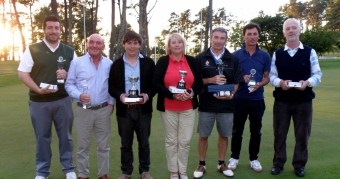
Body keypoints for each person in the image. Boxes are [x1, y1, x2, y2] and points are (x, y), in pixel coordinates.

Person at [17, 15, 77, 179]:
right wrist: (37, 89)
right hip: (39, 102)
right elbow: (22, 73)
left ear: (60, 30)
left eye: (56, 28)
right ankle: (42, 172)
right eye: (50, 28)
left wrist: (68, 74)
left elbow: (78, 76)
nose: (53, 31)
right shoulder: (32, 49)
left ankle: (69, 169)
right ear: (44, 29)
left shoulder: (69, 51)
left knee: (66, 137)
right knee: (42, 138)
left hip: (63, 100)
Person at [269, 18, 322, 177]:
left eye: (294, 28)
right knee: (279, 134)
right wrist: (280, 82)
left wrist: (308, 82)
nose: (291, 31)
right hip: (282, 102)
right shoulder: (277, 53)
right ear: (284, 32)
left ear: (299, 30)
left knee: (302, 135)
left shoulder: (309, 51)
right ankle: (278, 163)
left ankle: (299, 165)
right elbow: (272, 76)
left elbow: (317, 74)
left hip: (303, 101)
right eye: (288, 29)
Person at [193, 27, 244, 178]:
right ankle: (201, 164)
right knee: (203, 135)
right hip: (206, 104)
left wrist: (232, 94)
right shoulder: (200, 58)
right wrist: (210, 80)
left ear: (226, 40)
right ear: (211, 38)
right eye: (216, 37)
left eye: (222, 38)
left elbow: (237, 81)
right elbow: (195, 81)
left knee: (224, 135)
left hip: (226, 105)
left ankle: (221, 163)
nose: (219, 41)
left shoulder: (232, 58)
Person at [153, 33, 203, 179]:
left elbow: (199, 83)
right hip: (168, 108)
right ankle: (174, 172)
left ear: (183, 44)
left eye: (179, 42)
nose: (176, 45)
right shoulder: (163, 61)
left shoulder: (192, 61)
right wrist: (172, 94)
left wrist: (192, 93)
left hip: (187, 108)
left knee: (185, 141)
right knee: (171, 141)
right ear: (169, 45)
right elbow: (156, 83)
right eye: (173, 42)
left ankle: (183, 171)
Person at [65, 34, 114, 179]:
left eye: (98, 43)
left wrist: (111, 104)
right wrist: (79, 95)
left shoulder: (109, 64)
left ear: (103, 46)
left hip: (103, 110)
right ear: (87, 44)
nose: (94, 45)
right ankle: (83, 175)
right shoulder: (77, 62)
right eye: (91, 42)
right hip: (83, 110)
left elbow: (112, 86)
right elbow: (69, 84)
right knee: (82, 146)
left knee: (103, 146)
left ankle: (103, 174)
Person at [108, 30, 155, 179]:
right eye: (129, 43)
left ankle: (144, 171)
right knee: (125, 144)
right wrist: (121, 96)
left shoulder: (148, 63)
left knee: (144, 143)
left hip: (143, 109)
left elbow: (154, 85)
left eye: (135, 43)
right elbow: (111, 86)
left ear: (140, 44)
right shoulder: (116, 64)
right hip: (124, 110)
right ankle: (126, 171)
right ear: (123, 45)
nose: (132, 46)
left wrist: (147, 95)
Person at [227, 22, 271, 172]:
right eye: (249, 34)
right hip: (239, 99)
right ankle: (234, 157)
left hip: (257, 100)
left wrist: (259, 85)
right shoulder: (235, 55)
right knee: (237, 130)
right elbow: (230, 77)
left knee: (256, 131)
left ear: (258, 35)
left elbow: (267, 77)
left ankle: (254, 159)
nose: (252, 37)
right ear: (244, 35)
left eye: (255, 34)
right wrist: (240, 78)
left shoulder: (264, 55)